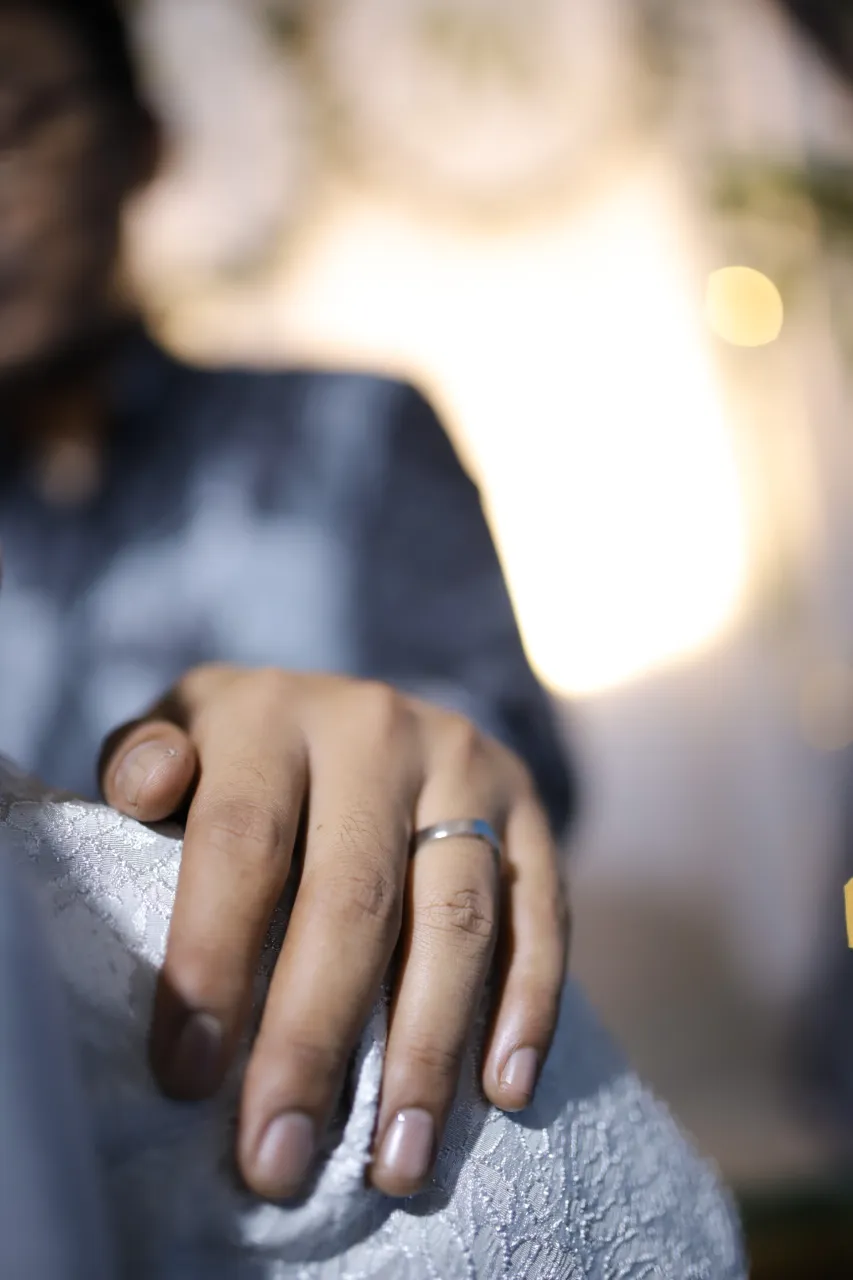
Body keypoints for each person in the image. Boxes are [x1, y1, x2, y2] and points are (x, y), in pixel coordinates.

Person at [0, 1, 745, 1273]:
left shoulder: (349, 427)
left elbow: (492, 734)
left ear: (143, 146)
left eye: (16, 125)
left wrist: (441, 753)